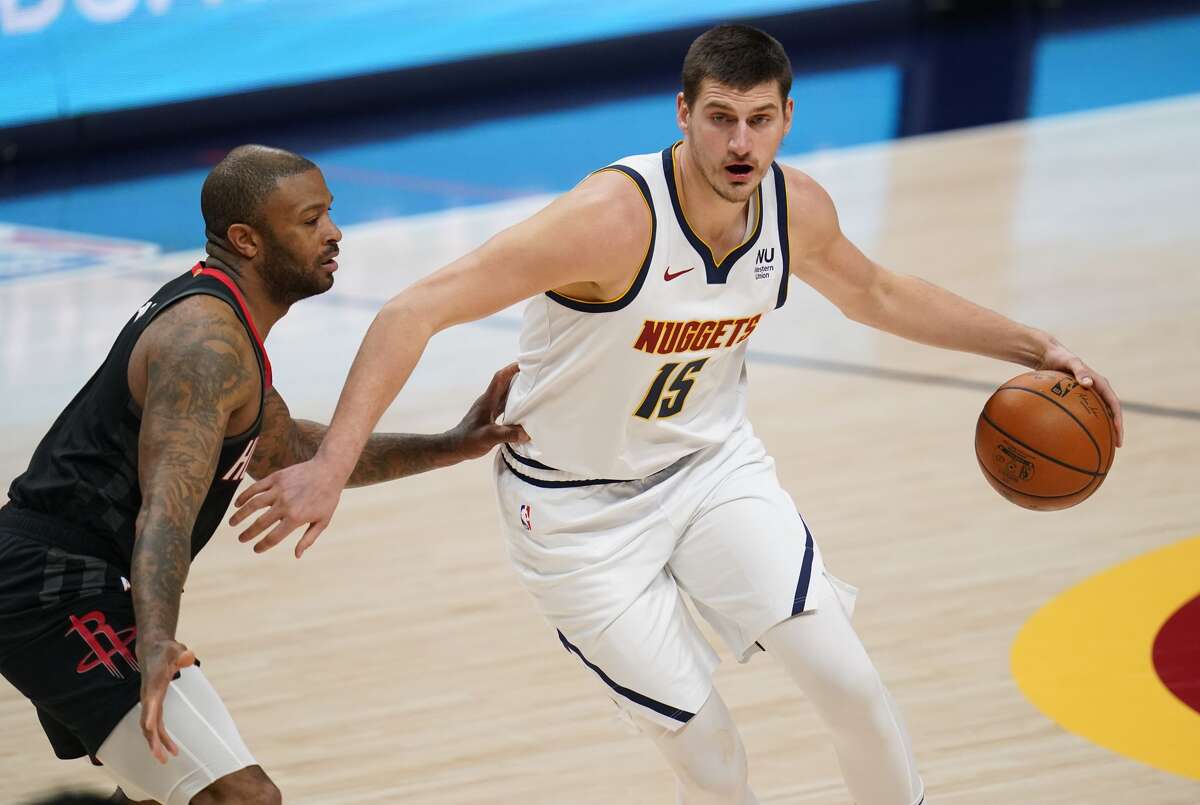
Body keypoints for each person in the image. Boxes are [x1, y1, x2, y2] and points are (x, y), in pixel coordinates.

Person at [231, 25, 1124, 805]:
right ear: (683, 114)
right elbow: (412, 310)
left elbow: (878, 292)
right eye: (721, 117)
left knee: (851, 685)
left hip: (710, 472)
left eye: (761, 118)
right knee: (712, 760)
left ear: (786, 118)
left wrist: (1034, 347)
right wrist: (332, 464)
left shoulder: (793, 207)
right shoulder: (608, 221)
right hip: (576, 516)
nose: (741, 142)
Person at [0, 145, 525, 805]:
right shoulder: (205, 345)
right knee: (242, 797)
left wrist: (453, 444)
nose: (334, 233)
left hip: (71, 574)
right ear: (247, 240)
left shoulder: (227, 324)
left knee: (159, 793)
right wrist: (155, 640)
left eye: (330, 212)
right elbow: (163, 508)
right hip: (54, 585)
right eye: (310, 221)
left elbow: (292, 447)